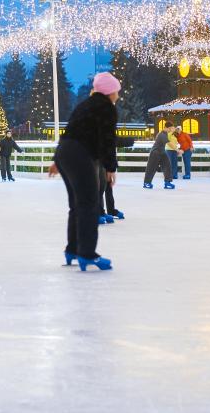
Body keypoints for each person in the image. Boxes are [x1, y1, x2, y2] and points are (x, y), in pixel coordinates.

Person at [49, 72, 120, 271]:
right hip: (80, 155)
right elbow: (108, 139)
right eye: (116, 91)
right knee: (89, 203)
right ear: (109, 91)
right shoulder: (107, 108)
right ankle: (87, 253)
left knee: (76, 205)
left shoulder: (84, 105)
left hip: (66, 154)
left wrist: (57, 159)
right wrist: (110, 167)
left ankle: (72, 249)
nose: (118, 95)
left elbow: (68, 131)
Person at [142, 123, 175, 189]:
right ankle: (147, 183)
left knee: (167, 166)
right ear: (167, 127)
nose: (171, 129)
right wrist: (177, 150)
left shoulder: (165, 133)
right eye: (171, 128)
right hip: (155, 152)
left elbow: (169, 139)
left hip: (162, 152)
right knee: (151, 167)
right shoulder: (161, 134)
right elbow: (169, 143)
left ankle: (167, 183)